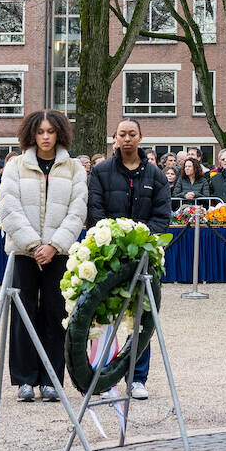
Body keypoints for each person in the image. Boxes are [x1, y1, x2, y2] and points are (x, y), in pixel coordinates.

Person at [0, 109, 87, 403]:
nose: (45, 137)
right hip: (25, 253)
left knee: (55, 314)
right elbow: (8, 207)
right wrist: (35, 244)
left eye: (50, 131)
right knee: (23, 314)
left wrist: (54, 245)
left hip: (58, 254)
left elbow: (77, 210)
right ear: (31, 134)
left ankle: (51, 379)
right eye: (40, 132)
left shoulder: (74, 168)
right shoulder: (15, 166)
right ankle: (25, 379)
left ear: (59, 133)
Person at [87, 118, 172, 400]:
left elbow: (162, 216)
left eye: (132, 134)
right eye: (122, 134)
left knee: (141, 318)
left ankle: (137, 378)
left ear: (140, 137)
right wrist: (114, 241)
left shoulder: (156, 176)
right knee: (104, 316)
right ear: (115, 138)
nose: (127, 139)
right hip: (109, 255)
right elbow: (95, 211)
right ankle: (103, 376)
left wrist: (141, 242)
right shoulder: (100, 172)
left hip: (143, 256)